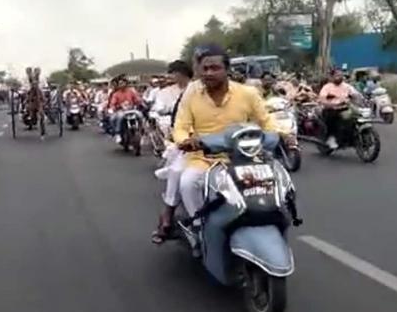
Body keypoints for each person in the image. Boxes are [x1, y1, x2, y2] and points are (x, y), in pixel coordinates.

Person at [172, 45, 283, 234]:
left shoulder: (247, 93)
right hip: (204, 158)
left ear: (227, 70)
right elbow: (181, 126)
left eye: (215, 68)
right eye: (204, 69)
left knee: (278, 180)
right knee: (187, 182)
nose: (208, 73)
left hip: (243, 157)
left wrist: (279, 136)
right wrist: (184, 140)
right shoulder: (191, 96)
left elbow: (266, 122)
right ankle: (200, 226)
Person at [151, 60, 194, 243]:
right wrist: (185, 139)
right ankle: (167, 217)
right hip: (193, 144)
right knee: (177, 172)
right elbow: (179, 124)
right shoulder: (168, 93)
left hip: (225, 146)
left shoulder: (232, 93)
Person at [318, 68, 360, 149]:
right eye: (337, 75)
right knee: (332, 116)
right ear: (332, 76)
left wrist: (362, 100)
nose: (339, 77)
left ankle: (351, 137)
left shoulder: (347, 86)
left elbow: (356, 94)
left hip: (344, 108)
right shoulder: (327, 87)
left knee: (355, 115)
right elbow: (322, 99)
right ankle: (331, 138)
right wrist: (330, 104)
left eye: (341, 75)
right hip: (330, 109)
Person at [107, 74, 142, 143]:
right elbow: (112, 103)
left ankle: (141, 131)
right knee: (119, 117)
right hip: (121, 111)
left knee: (140, 115)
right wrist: (113, 108)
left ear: (126, 83)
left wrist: (139, 102)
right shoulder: (116, 94)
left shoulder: (131, 92)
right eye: (120, 83)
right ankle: (118, 134)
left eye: (123, 83)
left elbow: (137, 99)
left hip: (131, 110)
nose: (122, 84)